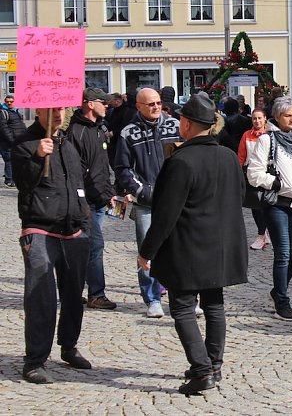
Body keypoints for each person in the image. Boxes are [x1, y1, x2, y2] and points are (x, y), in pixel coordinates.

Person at [138, 92, 248, 395]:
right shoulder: (227, 156)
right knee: (214, 304)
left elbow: (165, 214)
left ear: (186, 124)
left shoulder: (181, 161)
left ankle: (202, 371)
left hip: (188, 246)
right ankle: (214, 364)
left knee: (183, 307)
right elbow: (240, 197)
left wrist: (147, 251)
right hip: (222, 244)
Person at [14, 107, 93, 384]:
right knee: (41, 298)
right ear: (39, 110)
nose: (58, 114)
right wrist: (36, 157)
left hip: (73, 231)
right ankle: (35, 360)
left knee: (74, 296)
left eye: (61, 108)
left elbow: (78, 182)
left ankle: (69, 346)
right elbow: (22, 182)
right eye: (52, 109)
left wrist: (85, 221)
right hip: (40, 229)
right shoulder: (25, 142)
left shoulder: (67, 142)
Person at [247, 96, 292, 321]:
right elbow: (254, 173)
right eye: (288, 115)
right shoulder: (267, 140)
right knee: (284, 254)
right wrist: (275, 183)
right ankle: (282, 301)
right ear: (277, 117)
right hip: (277, 204)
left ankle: (278, 290)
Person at [113, 87, 181, 318]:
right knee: (147, 251)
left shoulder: (175, 126)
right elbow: (122, 169)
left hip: (175, 201)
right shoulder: (128, 133)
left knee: (179, 249)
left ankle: (182, 298)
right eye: (150, 104)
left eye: (158, 103)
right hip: (146, 203)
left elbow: (186, 160)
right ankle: (152, 299)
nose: (155, 107)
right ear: (139, 106)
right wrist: (142, 191)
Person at [66, 88, 118, 310]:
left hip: (99, 199)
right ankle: (96, 294)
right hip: (83, 201)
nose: (106, 106)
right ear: (88, 104)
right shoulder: (76, 132)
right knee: (94, 246)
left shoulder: (99, 129)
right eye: (102, 102)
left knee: (84, 248)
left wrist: (109, 193)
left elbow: (101, 168)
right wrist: (80, 200)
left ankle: (73, 291)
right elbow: (74, 171)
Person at [239, 108, 272, 250]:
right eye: (254, 118)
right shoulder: (247, 135)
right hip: (251, 175)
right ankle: (264, 234)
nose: (257, 121)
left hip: (266, 174)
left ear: (265, 119)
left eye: (259, 118)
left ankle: (261, 235)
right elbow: (241, 155)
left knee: (265, 206)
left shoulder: (270, 135)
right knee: (255, 206)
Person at [0, 94, 26, 187]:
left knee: (16, 159)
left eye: (11, 101)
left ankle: (15, 177)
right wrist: (11, 139)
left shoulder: (16, 111)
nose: (9, 103)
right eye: (7, 102)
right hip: (8, 142)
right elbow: (4, 128)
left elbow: (20, 125)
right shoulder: (3, 112)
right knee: (9, 160)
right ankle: (9, 180)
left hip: (18, 139)